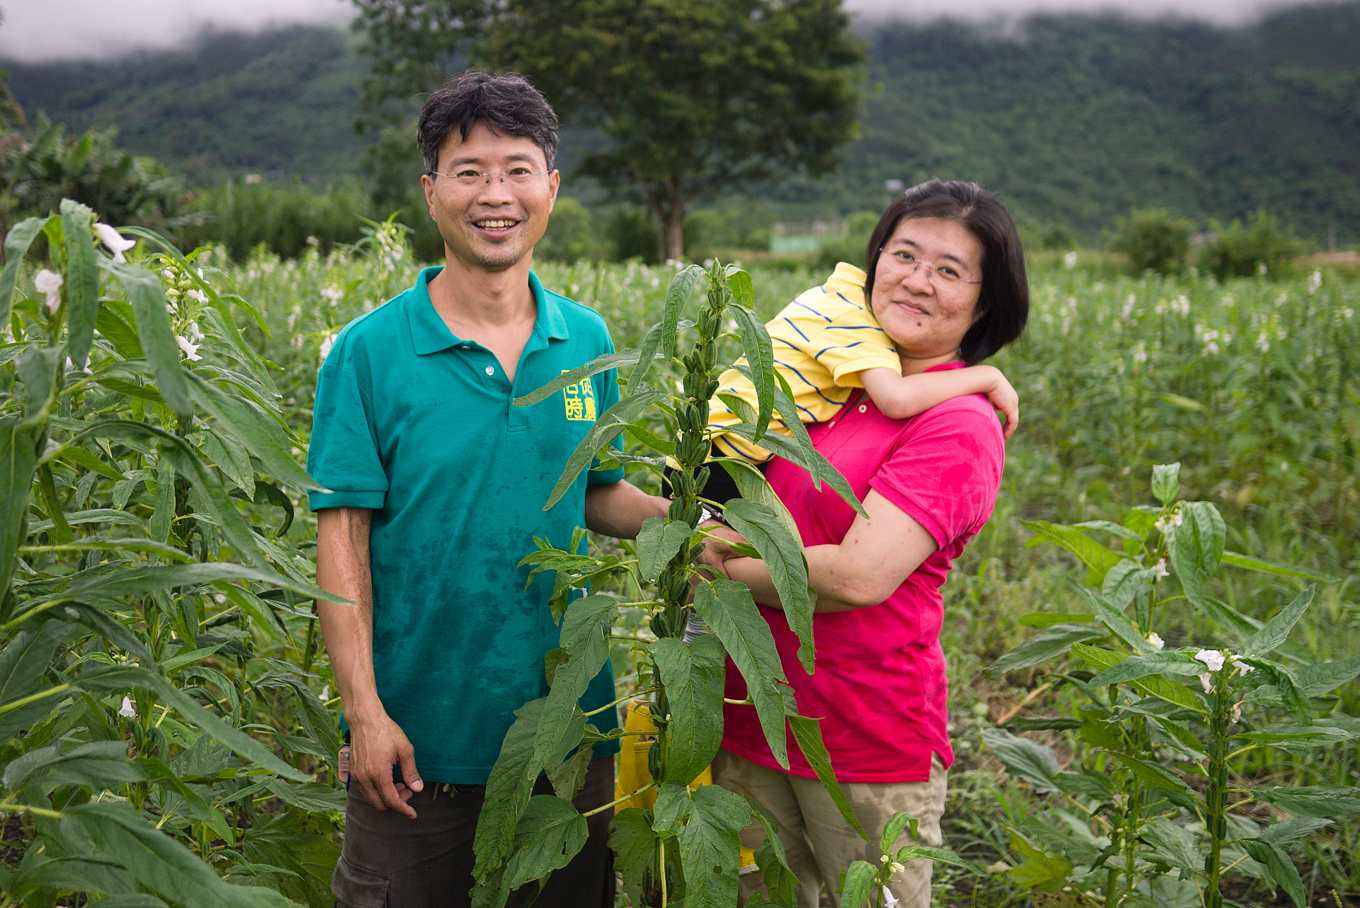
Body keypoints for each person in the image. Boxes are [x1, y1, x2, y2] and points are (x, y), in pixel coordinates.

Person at [309, 71, 667, 908]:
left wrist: (679, 522)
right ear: (432, 195)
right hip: (417, 746)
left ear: (552, 187)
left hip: (571, 738)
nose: (494, 194)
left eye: (516, 169)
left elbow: (591, 492)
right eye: (469, 172)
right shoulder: (369, 352)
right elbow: (341, 540)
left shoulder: (585, 338)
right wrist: (365, 714)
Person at [701, 179, 1030, 908]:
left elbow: (857, 576)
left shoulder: (959, 423)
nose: (916, 280)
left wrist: (708, 563)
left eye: (949, 271)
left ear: (984, 303)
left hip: (863, 743)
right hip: (750, 718)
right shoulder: (829, 379)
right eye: (904, 255)